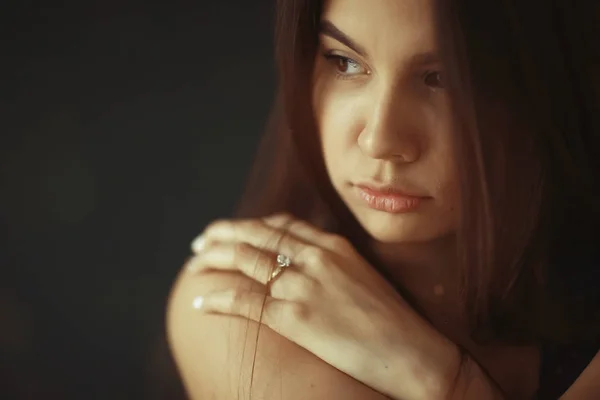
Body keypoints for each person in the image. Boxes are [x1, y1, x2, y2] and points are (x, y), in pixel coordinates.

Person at [167, 0, 600, 398]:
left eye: (443, 77)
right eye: (345, 62)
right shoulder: (239, 300)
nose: (380, 139)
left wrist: (444, 381)